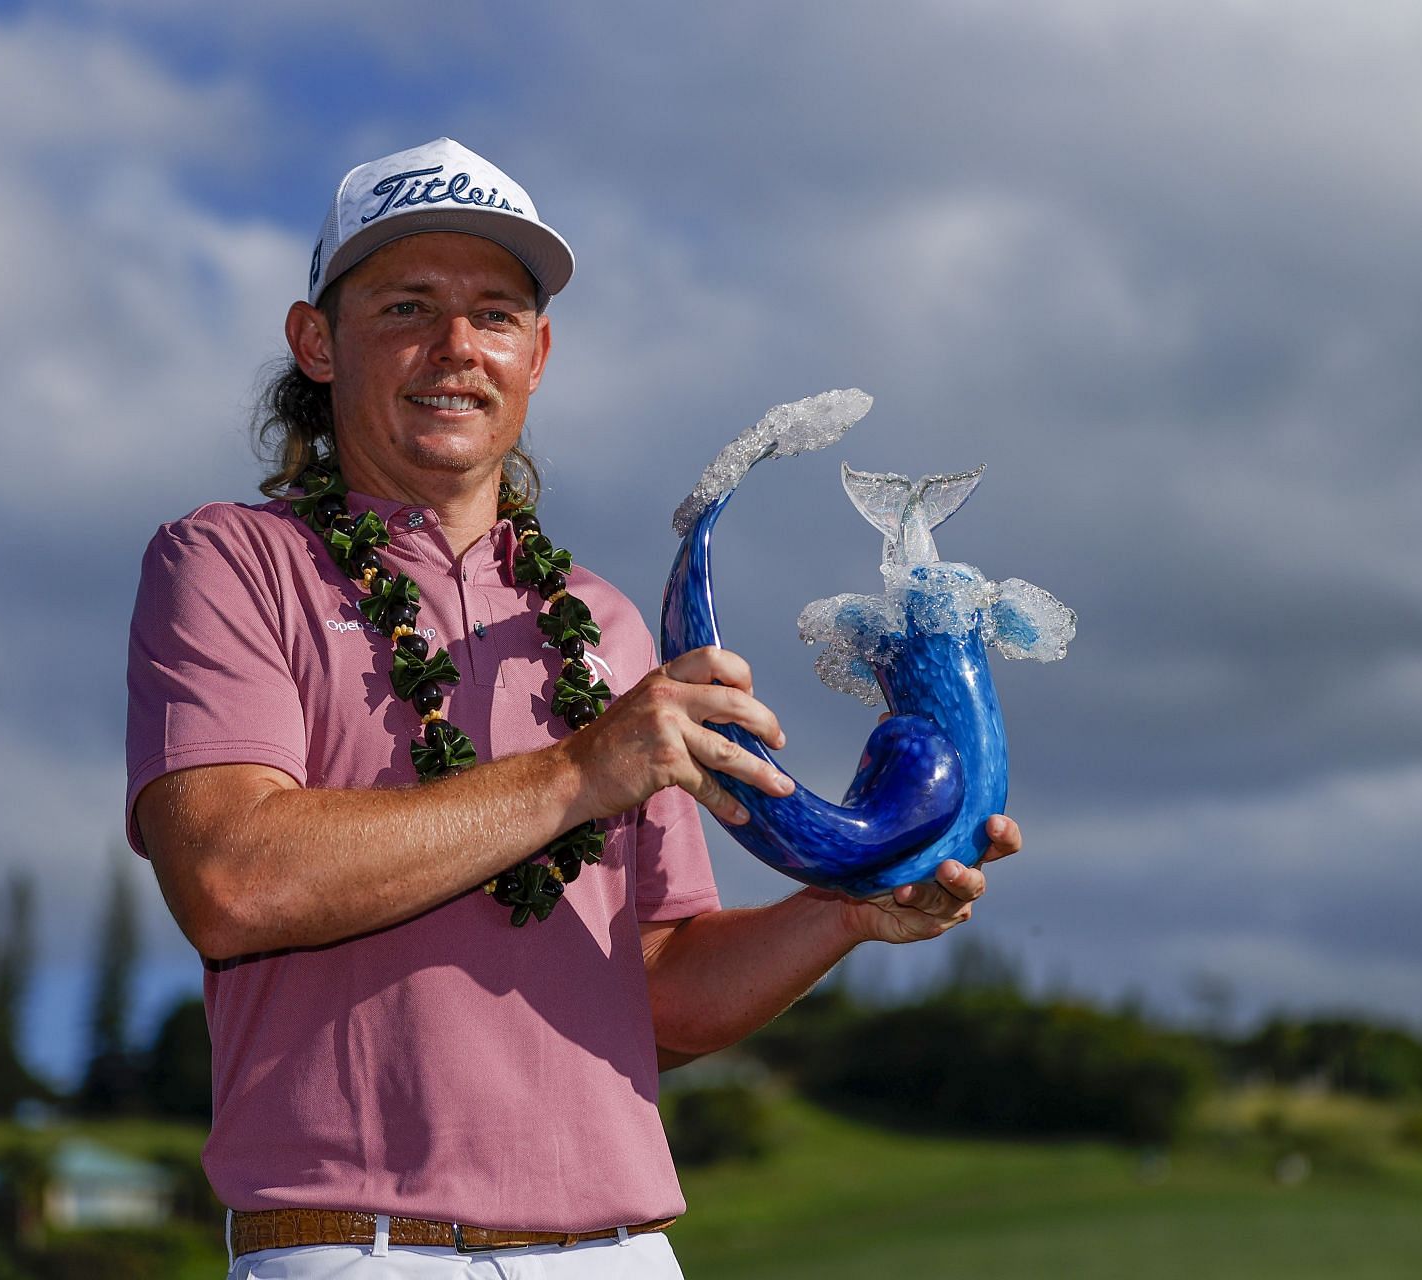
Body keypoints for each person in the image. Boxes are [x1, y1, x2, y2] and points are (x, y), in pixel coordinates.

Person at [125, 138, 1022, 1279]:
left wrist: (848, 911)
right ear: (317, 342)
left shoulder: (604, 622)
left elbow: (659, 995)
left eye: (495, 314)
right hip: (360, 1248)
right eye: (407, 305)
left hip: (619, 1251)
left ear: (537, 354)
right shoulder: (231, 561)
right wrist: (579, 771)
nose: (457, 347)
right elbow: (232, 879)